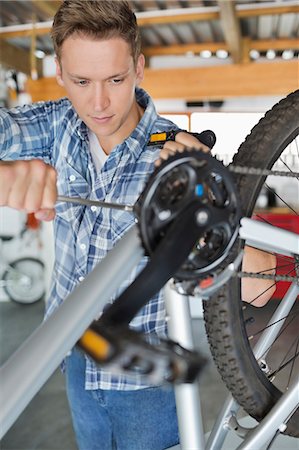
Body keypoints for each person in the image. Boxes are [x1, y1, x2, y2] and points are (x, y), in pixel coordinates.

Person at [0, 1, 276, 448]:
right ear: (59, 72)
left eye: (115, 79)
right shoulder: (57, 125)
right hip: (76, 367)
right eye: (81, 81)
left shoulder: (177, 157)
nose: (99, 102)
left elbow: (260, 285)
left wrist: (205, 215)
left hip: (146, 387)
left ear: (139, 68)